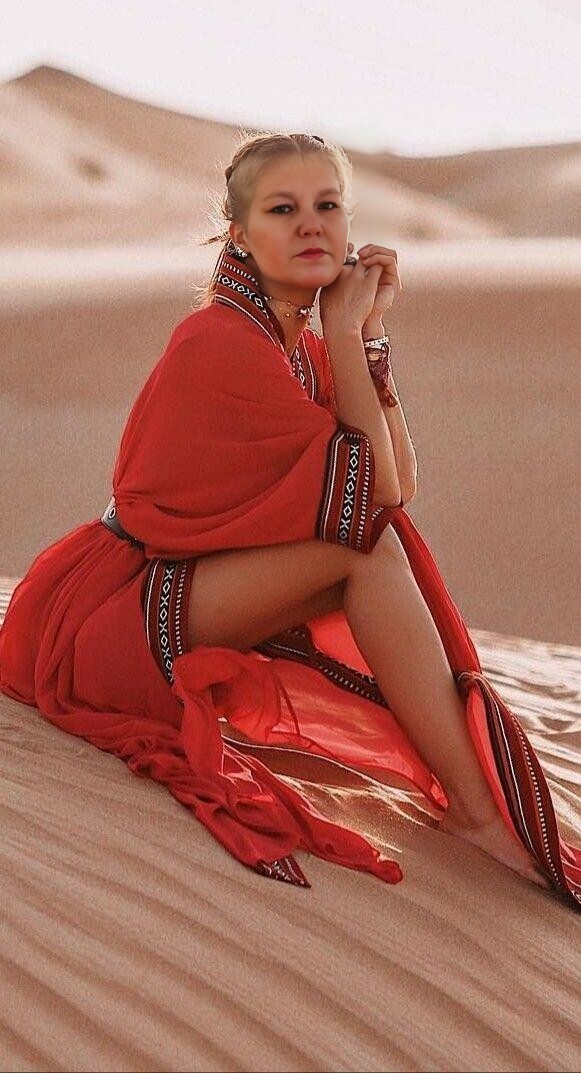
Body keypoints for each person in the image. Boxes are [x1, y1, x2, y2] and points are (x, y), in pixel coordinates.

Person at [0, 132, 578, 908]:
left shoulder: (296, 347)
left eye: (326, 205)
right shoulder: (220, 342)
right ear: (239, 234)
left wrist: (366, 337)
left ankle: (473, 803)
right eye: (282, 209)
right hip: (109, 622)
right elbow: (371, 498)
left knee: (371, 547)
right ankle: (475, 811)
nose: (310, 224)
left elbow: (397, 485)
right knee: (364, 553)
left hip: (175, 590)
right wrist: (345, 333)